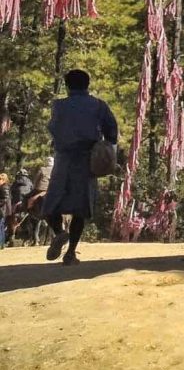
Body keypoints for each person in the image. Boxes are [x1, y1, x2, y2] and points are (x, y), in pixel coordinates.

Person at [41, 68, 118, 265]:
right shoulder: (98, 105)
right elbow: (112, 129)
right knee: (80, 209)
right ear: (87, 85)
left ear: (67, 86)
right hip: (86, 159)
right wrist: (105, 144)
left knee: (51, 204)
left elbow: (53, 128)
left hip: (63, 158)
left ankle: (59, 233)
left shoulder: (59, 105)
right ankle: (70, 253)